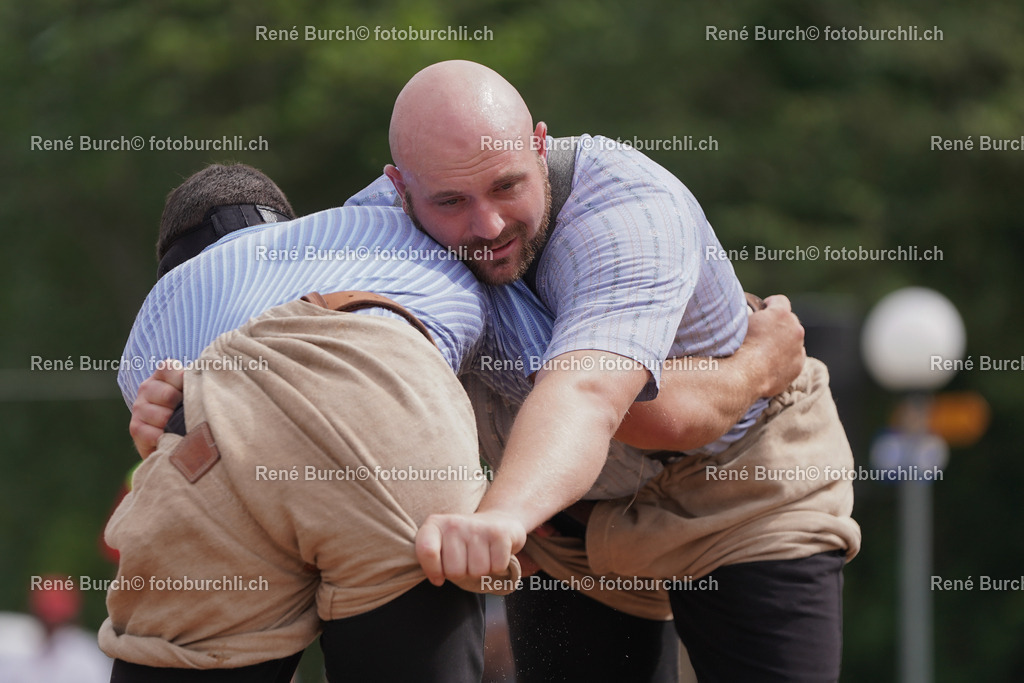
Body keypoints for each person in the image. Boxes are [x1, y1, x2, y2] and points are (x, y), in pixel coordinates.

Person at [344, 59, 862, 681]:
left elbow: (601, 398)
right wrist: (191, 363)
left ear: (540, 145)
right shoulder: (373, 229)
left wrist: (501, 518)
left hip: (741, 484)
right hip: (571, 523)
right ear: (399, 189)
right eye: (451, 201)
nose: (487, 225)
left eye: (507, 186)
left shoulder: (627, 214)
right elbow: (253, 292)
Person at [103, 163, 522, 682]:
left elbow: (165, 441)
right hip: (386, 395)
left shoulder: (154, 321)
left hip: (223, 437)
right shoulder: (389, 230)